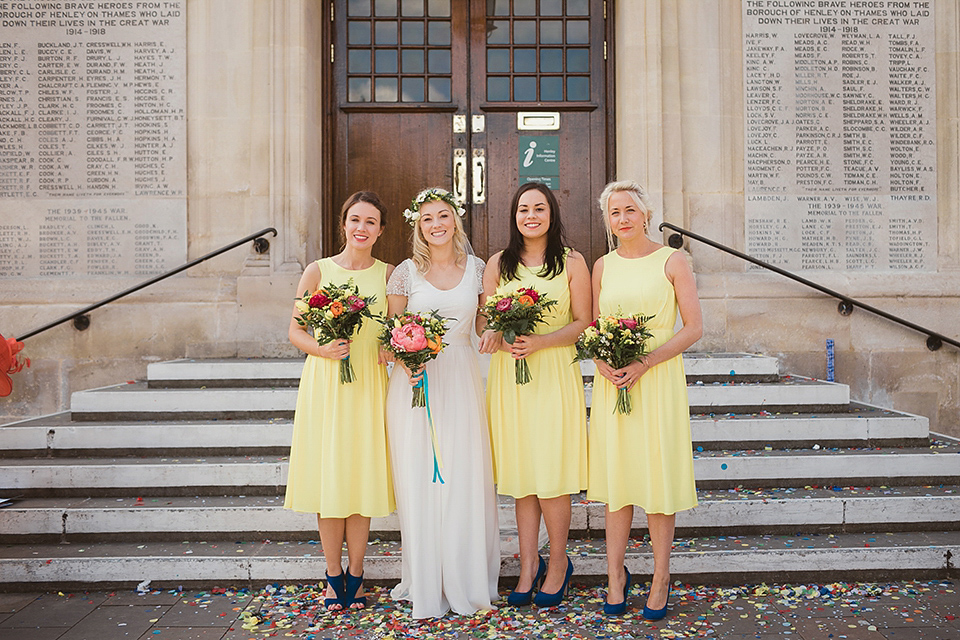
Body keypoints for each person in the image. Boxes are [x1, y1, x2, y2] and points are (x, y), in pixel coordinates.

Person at [588, 180, 702, 618]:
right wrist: (605, 364)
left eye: (630, 210)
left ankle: (660, 577)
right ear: (608, 220)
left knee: (656, 483)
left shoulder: (672, 261)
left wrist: (645, 362)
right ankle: (615, 575)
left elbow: (693, 326)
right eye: (615, 212)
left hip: (656, 380)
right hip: (614, 382)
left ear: (647, 213)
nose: (623, 219)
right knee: (618, 483)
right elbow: (596, 327)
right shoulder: (602, 265)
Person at [385, 187, 500, 619]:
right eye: (428, 218)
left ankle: (466, 579)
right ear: (418, 224)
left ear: (456, 220)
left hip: (462, 379)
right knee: (421, 480)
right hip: (416, 384)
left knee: (463, 477)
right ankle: (427, 582)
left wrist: (494, 333)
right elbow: (393, 334)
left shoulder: (478, 268)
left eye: (443, 216)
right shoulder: (405, 273)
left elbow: (486, 324)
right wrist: (406, 359)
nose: (436, 224)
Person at [479, 181, 590, 608]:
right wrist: (495, 332)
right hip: (511, 379)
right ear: (514, 215)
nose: (530, 216)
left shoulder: (573, 262)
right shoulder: (498, 264)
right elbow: (485, 322)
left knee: (552, 475)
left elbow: (585, 321)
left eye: (539, 208)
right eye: (523, 209)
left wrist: (541, 342)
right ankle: (528, 566)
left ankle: (558, 563)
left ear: (552, 214)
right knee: (521, 478)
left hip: (553, 374)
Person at [283, 191, 395, 611]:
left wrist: (394, 350)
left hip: (367, 385)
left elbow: (395, 330)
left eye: (370, 222)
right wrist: (322, 348)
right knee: (331, 481)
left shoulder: (389, 275)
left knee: (360, 479)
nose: (361, 228)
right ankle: (332, 573)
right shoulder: (318, 271)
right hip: (326, 384)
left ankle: (357, 573)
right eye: (355, 220)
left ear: (381, 230)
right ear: (343, 224)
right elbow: (295, 331)